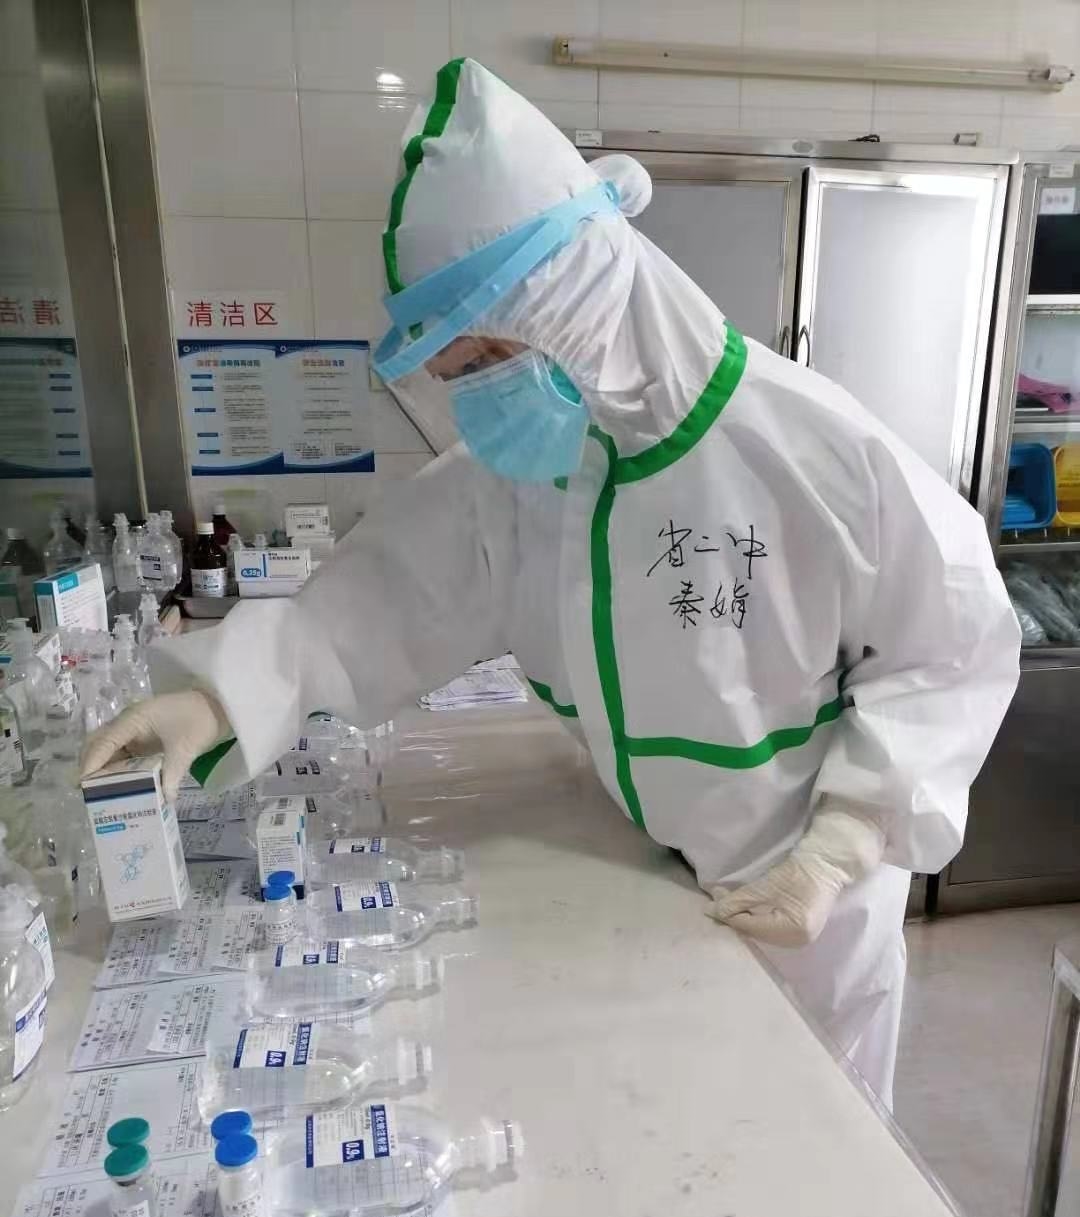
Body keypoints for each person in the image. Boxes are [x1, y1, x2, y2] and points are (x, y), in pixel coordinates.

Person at [82, 59, 1020, 1108]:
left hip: (814, 910)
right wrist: (216, 697)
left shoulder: (815, 451)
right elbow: (373, 603)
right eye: (455, 372)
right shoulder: (528, 478)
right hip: (651, 882)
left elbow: (951, 646)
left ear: (575, 294)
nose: (476, 394)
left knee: (819, 1147)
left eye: (488, 354)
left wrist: (842, 843)